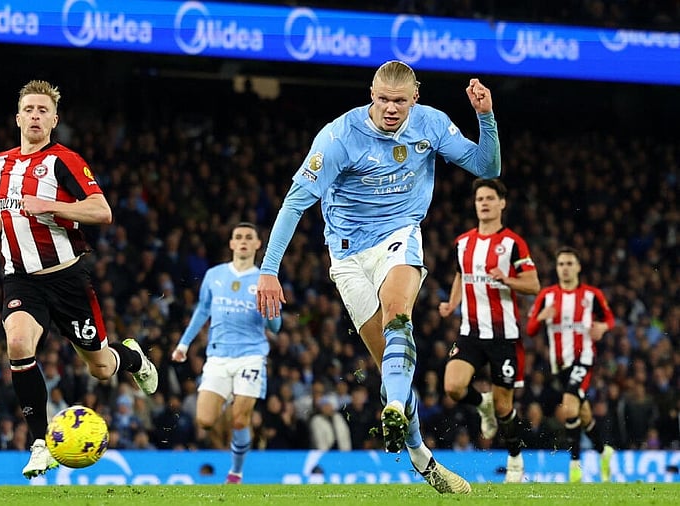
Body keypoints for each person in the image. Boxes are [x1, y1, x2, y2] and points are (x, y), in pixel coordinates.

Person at [257, 60, 501, 494]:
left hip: (400, 235)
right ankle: (420, 453)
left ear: (416, 97)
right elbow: (295, 204)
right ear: (371, 94)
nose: (391, 109)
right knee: (389, 364)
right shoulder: (338, 138)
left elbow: (487, 167)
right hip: (348, 255)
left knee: (397, 315)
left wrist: (485, 115)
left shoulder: (431, 124)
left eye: (400, 101)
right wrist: (269, 270)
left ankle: (391, 406)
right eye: (383, 99)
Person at [0, 80, 158, 479]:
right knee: (17, 343)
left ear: (54, 119)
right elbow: (12, 207)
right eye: (29, 110)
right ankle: (40, 443)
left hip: (66, 279)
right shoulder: (3, 161)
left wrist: (52, 206)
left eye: (42, 111)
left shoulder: (64, 161)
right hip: (20, 279)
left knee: (101, 368)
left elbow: (101, 211)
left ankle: (133, 357)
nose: (35, 116)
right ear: (18, 117)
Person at [438, 177, 540, 483]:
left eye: (489, 198)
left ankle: (515, 460)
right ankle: (479, 403)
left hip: (503, 337)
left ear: (502, 203)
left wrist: (506, 278)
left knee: (504, 406)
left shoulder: (512, 243)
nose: (483, 203)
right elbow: (460, 275)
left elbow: (533, 285)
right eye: (479, 199)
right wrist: (451, 303)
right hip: (470, 332)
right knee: (453, 387)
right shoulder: (462, 242)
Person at [171, 222, 282, 484]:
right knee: (205, 420)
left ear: (257, 245)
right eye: (238, 237)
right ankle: (232, 394)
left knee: (240, 420)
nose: (243, 241)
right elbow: (202, 310)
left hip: (251, 356)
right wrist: (183, 345)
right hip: (218, 357)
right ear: (231, 244)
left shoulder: (265, 280)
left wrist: (270, 310)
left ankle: (236, 472)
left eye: (248, 238)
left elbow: (276, 327)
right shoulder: (214, 275)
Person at [526, 246, 615, 483]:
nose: (565, 268)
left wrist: (603, 328)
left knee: (569, 406)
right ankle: (603, 451)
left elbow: (609, 319)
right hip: (560, 364)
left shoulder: (591, 295)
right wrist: (541, 317)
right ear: (557, 268)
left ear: (578, 267)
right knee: (582, 412)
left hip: (584, 358)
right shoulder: (547, 296)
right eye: (561, 264)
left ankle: (575, 465)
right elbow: (531, 329)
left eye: (569, 263)